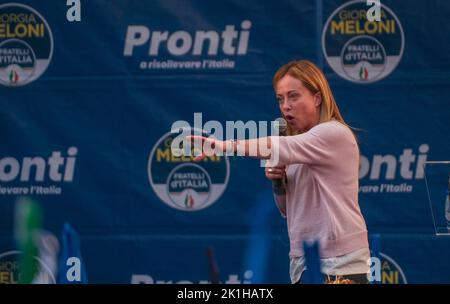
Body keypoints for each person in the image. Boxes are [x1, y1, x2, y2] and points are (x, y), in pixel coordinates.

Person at [188, 60, 370, 284]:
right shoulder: (296, 144)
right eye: (280, 99)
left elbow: (275, 146)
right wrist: (279, 182)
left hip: (340, 264)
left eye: (293, 96)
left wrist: (224, 146)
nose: (286, 106)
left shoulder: (333, 133)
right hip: (303, 262)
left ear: (317, 97)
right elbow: (286, 209)